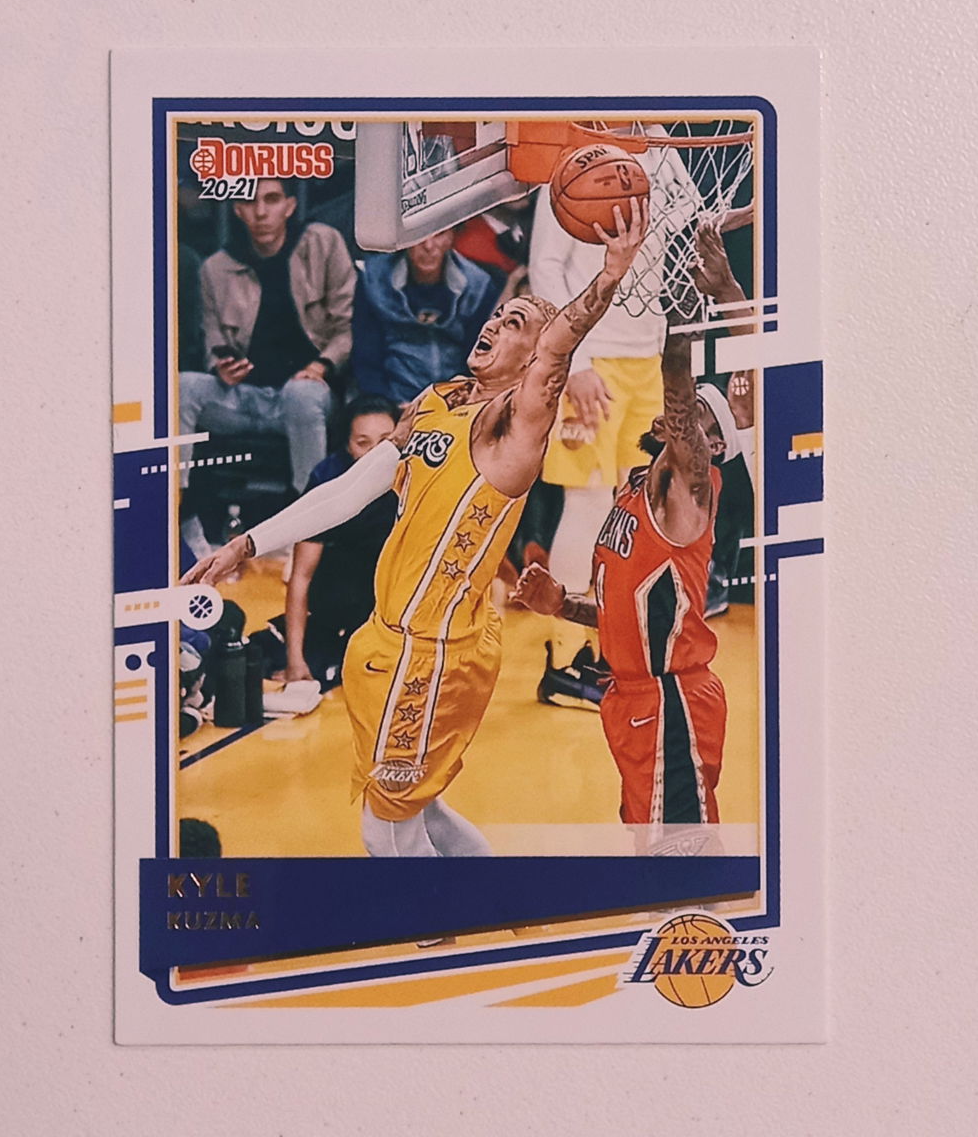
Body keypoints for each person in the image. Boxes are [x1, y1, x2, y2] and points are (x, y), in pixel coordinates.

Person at [184, 200, 650, 858]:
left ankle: (436, 924)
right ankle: (486, 903)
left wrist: (610, 275)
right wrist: (246, 543)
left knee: (384, 831)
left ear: (536, 361)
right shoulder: (437, 402)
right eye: (499, 314)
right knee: (423, 813)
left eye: (516, 323)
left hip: (435, 654)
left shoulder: (515, 428)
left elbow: (557, 347)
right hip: (388, 638)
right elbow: (349, 490)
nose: (495, 322)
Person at [511, 221, 750, 830]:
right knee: (646, 836)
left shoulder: (691, 492)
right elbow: (630, 616)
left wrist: (686, 316)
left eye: (697, 420)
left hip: (673, 700)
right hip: (631, 695)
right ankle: (570, 664)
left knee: (680, 849)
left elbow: (684, 398)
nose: (680, 416)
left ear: (708, 447)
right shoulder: (635, 492)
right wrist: (562, 605)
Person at [528, 137, 753, 703]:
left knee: (629, 512)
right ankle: (564, 660)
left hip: (645, 356)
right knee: (586, 501)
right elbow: (543, 267)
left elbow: (687, 221)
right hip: (594, 358)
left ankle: (608, 651)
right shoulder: (574, 161)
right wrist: (575, 359)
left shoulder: (661, 148)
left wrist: (738, 215)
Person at [178, 177, 356, 518]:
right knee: (182, 387)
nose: (261, 212)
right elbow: (212, 338)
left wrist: (320, 366)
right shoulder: (216, 268)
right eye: (250, 202)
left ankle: (309, 516)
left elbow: (347, 327)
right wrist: (221, 367)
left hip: (308, 394)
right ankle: (179, 506)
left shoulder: (322, 243)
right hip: (244, 399)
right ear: (237, 209)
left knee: (301, 394)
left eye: (271, 200)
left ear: (289, 206)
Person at [251, 397, 401, 707]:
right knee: (291, 660)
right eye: (363, 443)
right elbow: (301, 577)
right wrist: (295, 661)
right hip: (338, 594)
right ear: (347, 445)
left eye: (386, 441)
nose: (376, 454)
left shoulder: (415, 474)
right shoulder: (328, 477)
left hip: (393, 602)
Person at [351, 228, 499, 405]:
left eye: (439, 234)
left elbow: (478, 361)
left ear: (451, 236)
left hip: (455, 401)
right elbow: (366, 356)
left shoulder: (477, 285)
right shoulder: (373, 278)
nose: (428, 246)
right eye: (418, 235)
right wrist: (387, 403)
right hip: (389, 399)